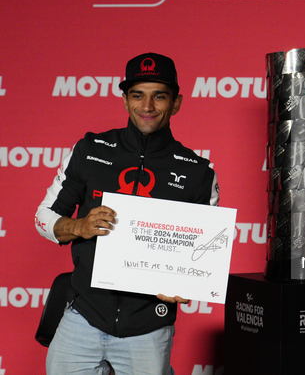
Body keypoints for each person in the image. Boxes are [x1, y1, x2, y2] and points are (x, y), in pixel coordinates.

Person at [35, 52, 219, 375]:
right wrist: (79, 225)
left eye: (159, 96)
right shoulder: (89, 150)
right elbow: (43, 218)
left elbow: (207, 257)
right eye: (137, 95)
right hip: (82, 318)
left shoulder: (198, 173)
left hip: (149, 328)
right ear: (124, 100)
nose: (147, 106)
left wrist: (188, 284)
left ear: (176, 103)